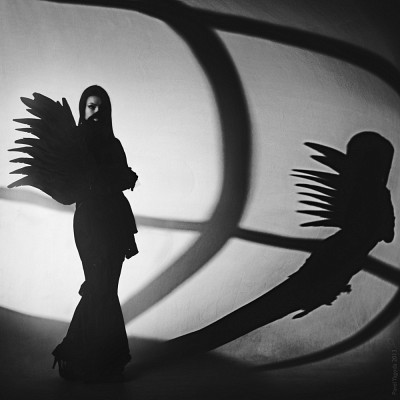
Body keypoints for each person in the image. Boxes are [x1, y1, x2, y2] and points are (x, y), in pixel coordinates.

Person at [51, 85, 138, 382]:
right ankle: (93, 357)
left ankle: (97, 360)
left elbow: (119, 176)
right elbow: (90, 182)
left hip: (115, 222)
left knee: (105, 289)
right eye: (91, 106)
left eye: (101, 107)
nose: (96, 111)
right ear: (82, 109)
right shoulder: (76, 143)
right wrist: (117, 179)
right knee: (99, 287)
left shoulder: (113, 142)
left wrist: (122, 178)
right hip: (91, 224)